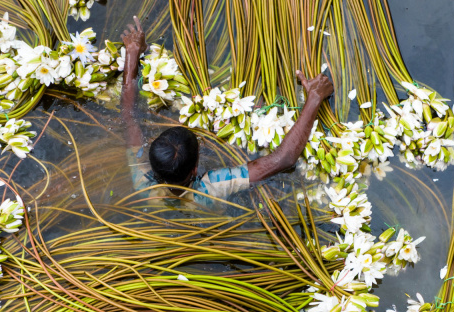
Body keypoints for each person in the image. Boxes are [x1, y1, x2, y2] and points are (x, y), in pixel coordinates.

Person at [119, 16, 334, 208]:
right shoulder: (209, 189)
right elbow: (284, 160)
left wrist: (132, 55)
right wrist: (314, 98)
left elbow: (129, 116)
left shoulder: (143, 185)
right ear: (195, 170)